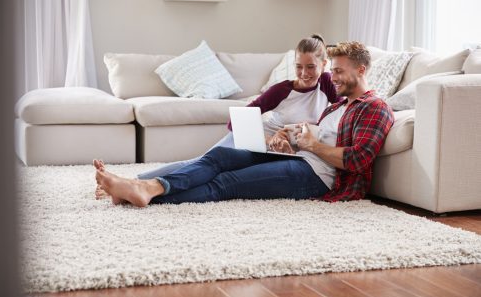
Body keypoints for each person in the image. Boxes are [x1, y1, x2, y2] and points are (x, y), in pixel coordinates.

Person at [94, 41, 394, 207]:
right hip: (299, 156)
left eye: (339, 72)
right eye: (334, 71)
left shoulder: (375, 109)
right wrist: (288, 136)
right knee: (220, 157)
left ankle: (145, 194)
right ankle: (145, 186)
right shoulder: (341, 104)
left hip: (317, 176)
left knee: (227, 184)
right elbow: (316, 132)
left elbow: (357, 159)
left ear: (361, 70)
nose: (334, 78)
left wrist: (311, 144)